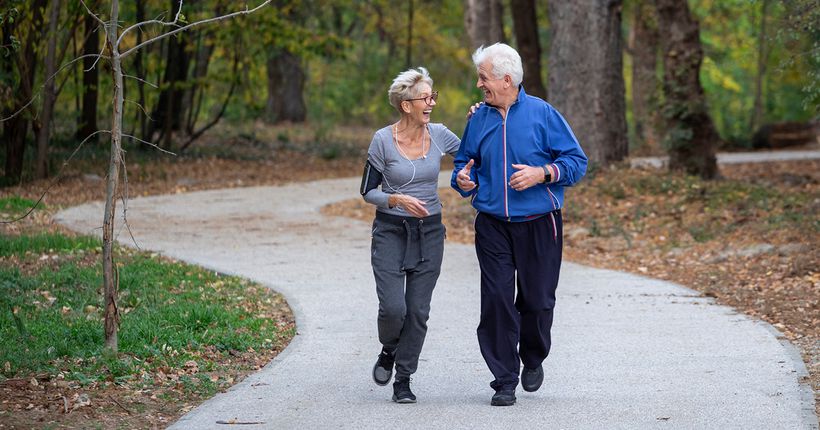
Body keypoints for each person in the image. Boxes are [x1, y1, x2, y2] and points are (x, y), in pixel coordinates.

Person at [451, 43, 588, 406]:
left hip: (540, 224)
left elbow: (577, 162)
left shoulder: (544, 115)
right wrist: (463, 180)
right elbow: (464, 163)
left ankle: (533, 355)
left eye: (484, 77)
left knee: (537, 301)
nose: (479, 84)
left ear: (506, 79)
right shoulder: (478, 118)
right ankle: (504, 379)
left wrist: (543, 173)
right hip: (493, 224)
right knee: (496, 299)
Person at [360, 67, 460, 403]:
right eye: (426, 97)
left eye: (434, 96)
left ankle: (403, 379)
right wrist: (395, 198)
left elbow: (472, 155)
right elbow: (366, 190)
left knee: (417, 311)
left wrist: (470, 171)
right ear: (407, 105)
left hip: (429, 231)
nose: (432, 102)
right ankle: (389, 348)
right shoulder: (382, 140)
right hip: (390, 230)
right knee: (393, 309)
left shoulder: (441, 135)